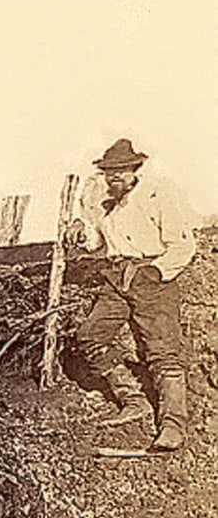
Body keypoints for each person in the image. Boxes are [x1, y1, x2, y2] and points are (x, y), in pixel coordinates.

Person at [66, 138, 197, 451]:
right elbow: (96, 243)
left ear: (135, 170)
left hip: (152, 275)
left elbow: (183, 244)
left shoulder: (157, 194)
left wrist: (155, 272)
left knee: (163, 350)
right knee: (90, 335)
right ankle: (133, 399)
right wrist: (81, 232)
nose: (115, 177)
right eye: (110, 171)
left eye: (122, 171)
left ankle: (172, 425)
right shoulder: (104, 203)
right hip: (116, 276)